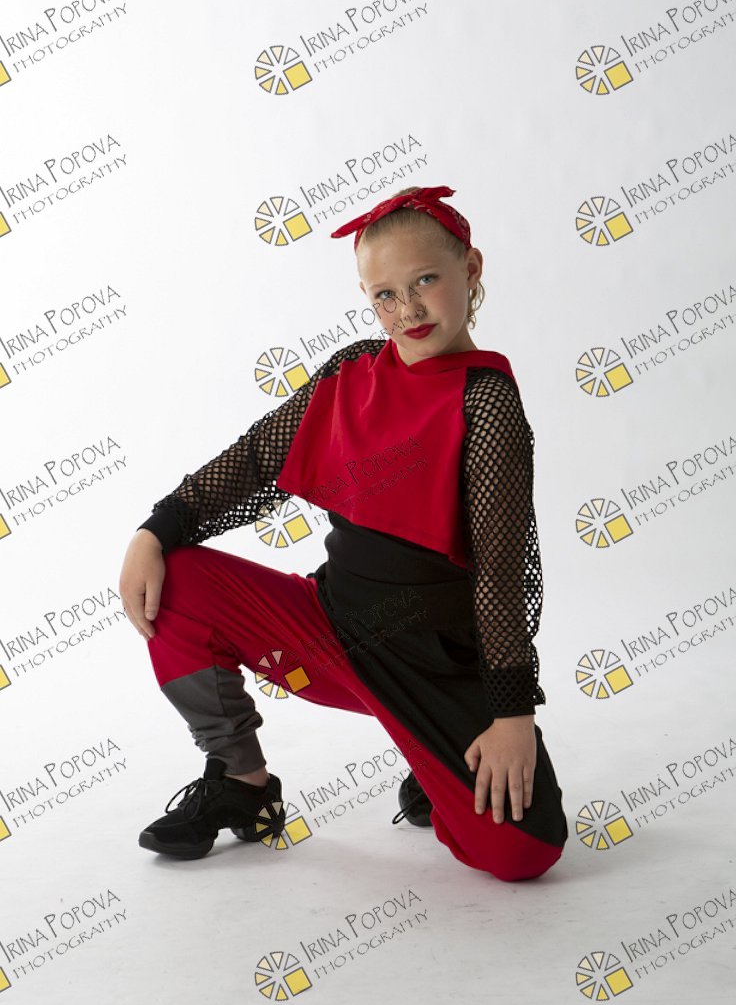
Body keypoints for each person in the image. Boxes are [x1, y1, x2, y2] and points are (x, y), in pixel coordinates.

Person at [119, 184, 569, 882]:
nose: (408, 309)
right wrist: (157, 527)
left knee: (524, 853)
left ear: (471, 269)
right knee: (172, 579)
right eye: (385, 294)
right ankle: (240, 781)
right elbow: (257, 458)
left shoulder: (486, 404)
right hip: (329, 635)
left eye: (426, 281)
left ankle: (432, 756)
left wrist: (511, 713)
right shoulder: (351, 371)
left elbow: (501, 572)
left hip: (431, 667)